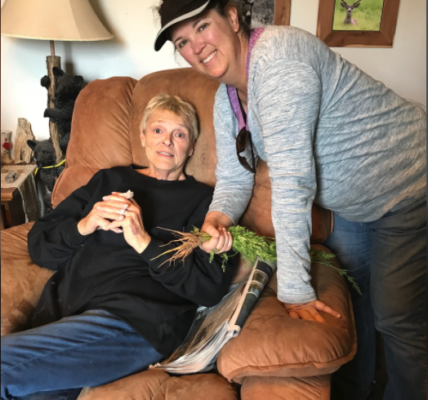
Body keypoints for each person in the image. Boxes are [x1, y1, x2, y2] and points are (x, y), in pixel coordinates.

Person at [154, 1, 427, 400]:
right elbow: (234, 178)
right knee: (357, 307)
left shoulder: (278, 59)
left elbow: (292, 183)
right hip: (353, 207)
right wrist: (217, 217)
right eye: (182, 42)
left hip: (405, 184)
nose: (195, 47)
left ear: (233, 18)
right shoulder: (227, 99)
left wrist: (296, 291)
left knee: (396, 318)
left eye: (201, 27)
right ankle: (360, 391)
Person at [1, 94, 236, 400]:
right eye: (158, 130)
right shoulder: (109, 180)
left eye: (179, 134)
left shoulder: (206, 203)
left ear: (191, 146)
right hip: (65, 316)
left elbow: (208, 288)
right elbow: (39, 246)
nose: (166, 141)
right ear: (142, 136)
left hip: (136, 322)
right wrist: (85, 224)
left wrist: (144, 242)